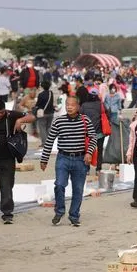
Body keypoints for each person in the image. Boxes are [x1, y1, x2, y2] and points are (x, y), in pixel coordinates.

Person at [40, 96, 96, 227]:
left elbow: (93, 138)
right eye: (67, 104)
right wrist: (44, 159)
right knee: (59, 185)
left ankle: (74, 215)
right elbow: (49, 140)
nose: (69, 107)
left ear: (78, 107)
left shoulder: (85, 120)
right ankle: (59, 211)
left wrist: (89, 152)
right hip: (63, 158)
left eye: (72, 105)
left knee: (78, 189)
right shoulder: (58, 121)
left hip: (80, 160)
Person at [0, 98, 35, 224]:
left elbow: (32, 117)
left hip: (6, 158)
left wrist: (20, 120)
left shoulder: (10, 115)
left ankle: (7, 213)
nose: (0, 115)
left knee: (6, 187)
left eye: (2, 112)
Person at [80, 89, 105, 175]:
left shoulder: (84, 105)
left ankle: (87, 169)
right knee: (100, 151)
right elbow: (107, 114)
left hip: (87, 134)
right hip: (99, 132)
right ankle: (98, 169)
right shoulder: (100, 105)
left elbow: (80, 117)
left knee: (87, 150)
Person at [35, 80, 55, 148]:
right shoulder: (51, 93)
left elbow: (38, 104)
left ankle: (44, 143)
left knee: (42, 128)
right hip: (51, 112)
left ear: (42, 86)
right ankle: (50, 142)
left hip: (43, 113)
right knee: (48, 127)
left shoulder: (40, 94)